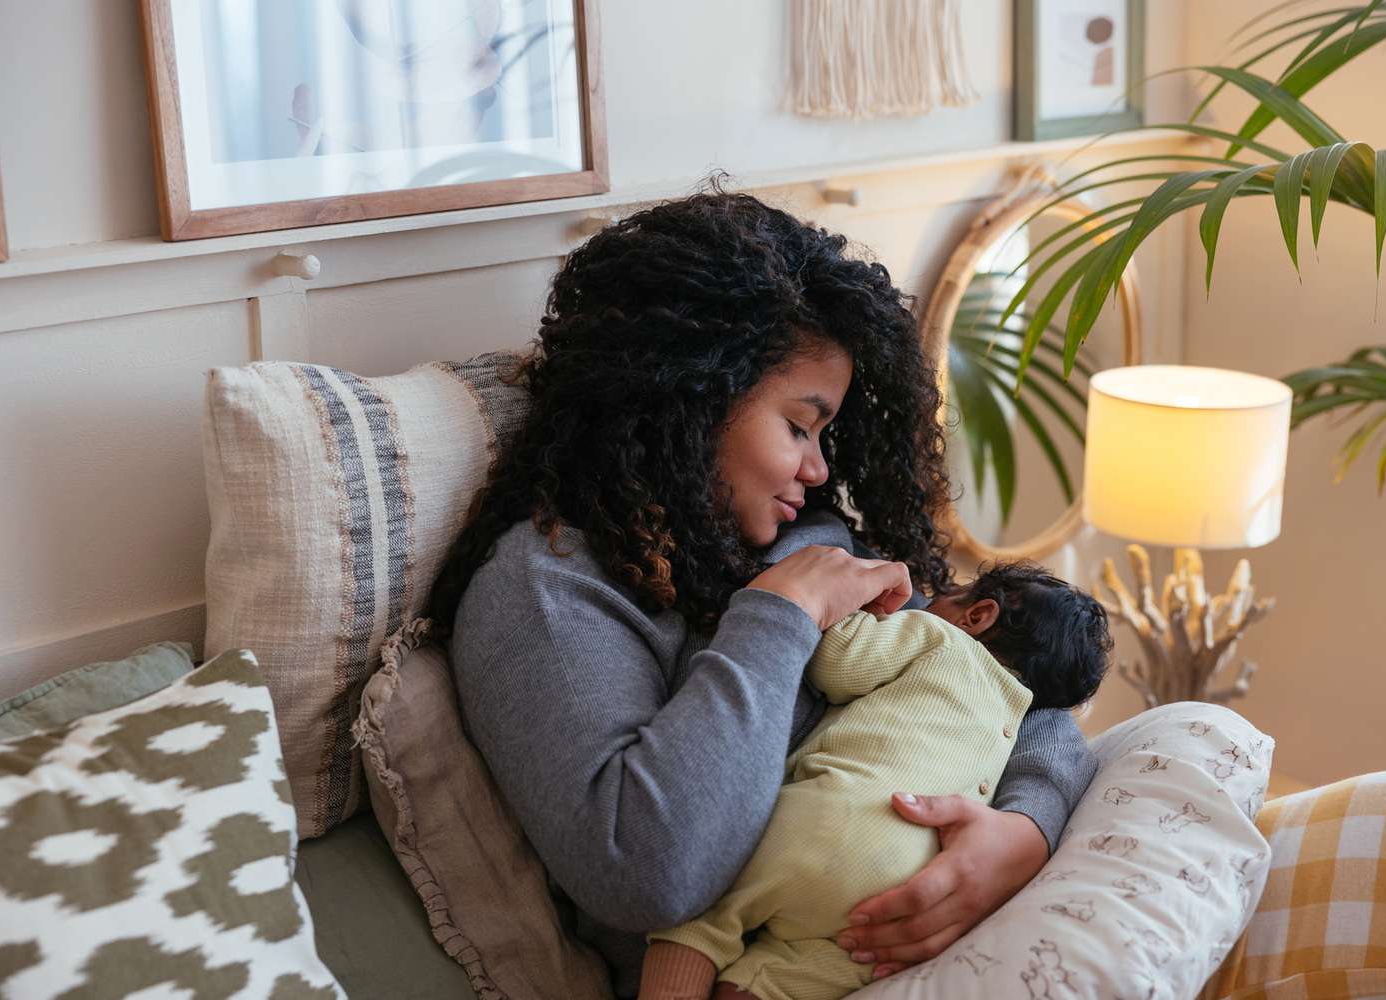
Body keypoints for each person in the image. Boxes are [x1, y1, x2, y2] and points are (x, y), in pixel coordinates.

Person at [425, 185, 1098, 999]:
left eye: (825, 436)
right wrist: (778, 616)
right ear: (693, 394)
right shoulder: (546, 593)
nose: (819, 470)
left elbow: (1003, 678)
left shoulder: (800, 531)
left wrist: (1024, 829)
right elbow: (649, 872)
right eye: (798, 426)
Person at [638, 563, 1114, 1000]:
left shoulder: (936, 636)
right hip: (904, 884)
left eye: (949, 593)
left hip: (827, 821)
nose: (928, 603)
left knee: (706, 913)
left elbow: (838, 665)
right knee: (825, 966)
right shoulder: (1012, 725)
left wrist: (856, 609)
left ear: (977, 615)